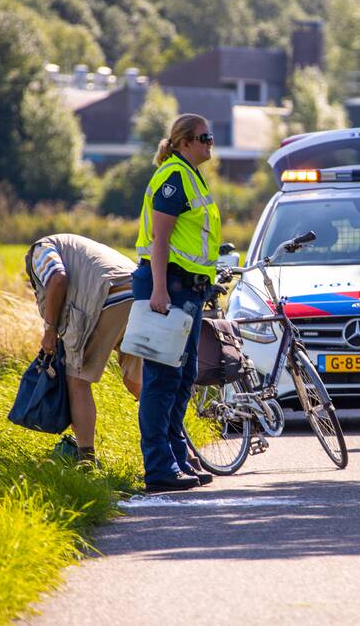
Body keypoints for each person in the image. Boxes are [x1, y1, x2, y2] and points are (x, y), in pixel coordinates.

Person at [134, 113, 221, 492]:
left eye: (210, 137)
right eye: (204, 138)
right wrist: (159, 291)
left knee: (184, 377)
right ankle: (158, 468)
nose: (210, 143)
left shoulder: (191, 174)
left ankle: (176, 457)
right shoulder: (174, 177)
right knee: (162, 379)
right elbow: (160, 240)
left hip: (187, 289)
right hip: (168, 286)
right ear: (184, 142)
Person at [26, 233, 143, 463]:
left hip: (107, 297)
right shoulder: (74, 245)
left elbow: (57, 278)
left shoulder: (39, 249)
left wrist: (50, 329)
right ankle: (172, 450)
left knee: (77, 381)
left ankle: (86, 461)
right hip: (138, 296)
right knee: (140, 383)